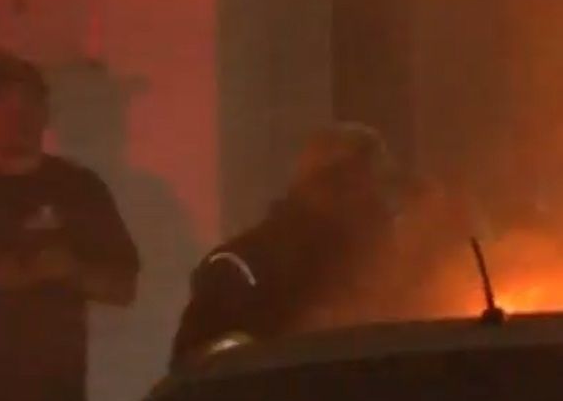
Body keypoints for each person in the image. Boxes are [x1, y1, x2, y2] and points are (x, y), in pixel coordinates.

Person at [0, 52, 139, 401]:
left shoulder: (78, 189)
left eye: (29, 106)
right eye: (5, 105)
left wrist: (71, 271)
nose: (18, 120)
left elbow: (123, 286)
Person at [170, 122, 408, 368]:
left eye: (383, 190)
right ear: (321, 189)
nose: (384, 207)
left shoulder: (399, 271)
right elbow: (198, 372)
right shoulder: (238, 269)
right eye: (363, 190)